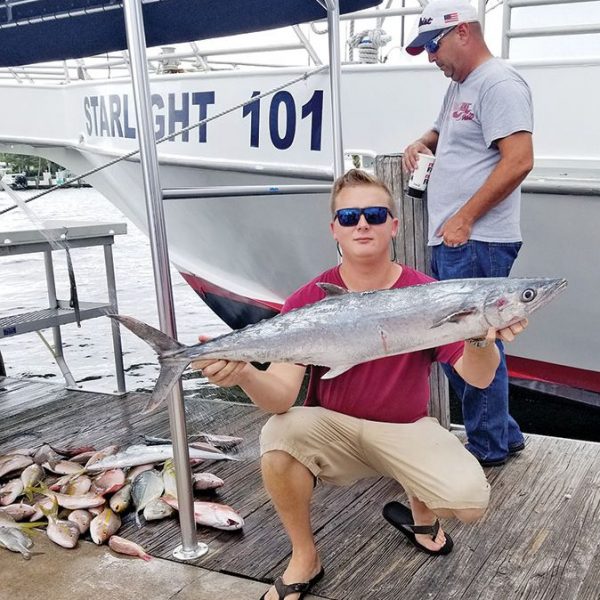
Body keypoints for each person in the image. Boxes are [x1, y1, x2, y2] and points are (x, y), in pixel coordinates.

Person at [193, 169, 528, 600]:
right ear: (334, 228)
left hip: (407, 429)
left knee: (469, 503)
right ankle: (304, 558)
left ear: (394, 223)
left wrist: (481, 334)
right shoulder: (309, 298)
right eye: (349, 216)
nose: (362, 224)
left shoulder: (431, 293)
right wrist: (243, 372)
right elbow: (279, 398)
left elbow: (478, 377)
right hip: (335, 430)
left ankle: (421, 513)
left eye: (374, 213)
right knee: (279, 436)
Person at [403, 0, 534, 467]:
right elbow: (444, 132)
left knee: (471, 343)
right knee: (467, 343)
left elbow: (519, 159)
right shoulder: (462, 85)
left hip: (475, 241)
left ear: (462, 32)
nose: (431, 58)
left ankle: (486, 448)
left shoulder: (498, 83)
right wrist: (421, 141)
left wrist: (465, 218)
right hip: (457, 240)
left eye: (433, 46)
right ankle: (503, 435)